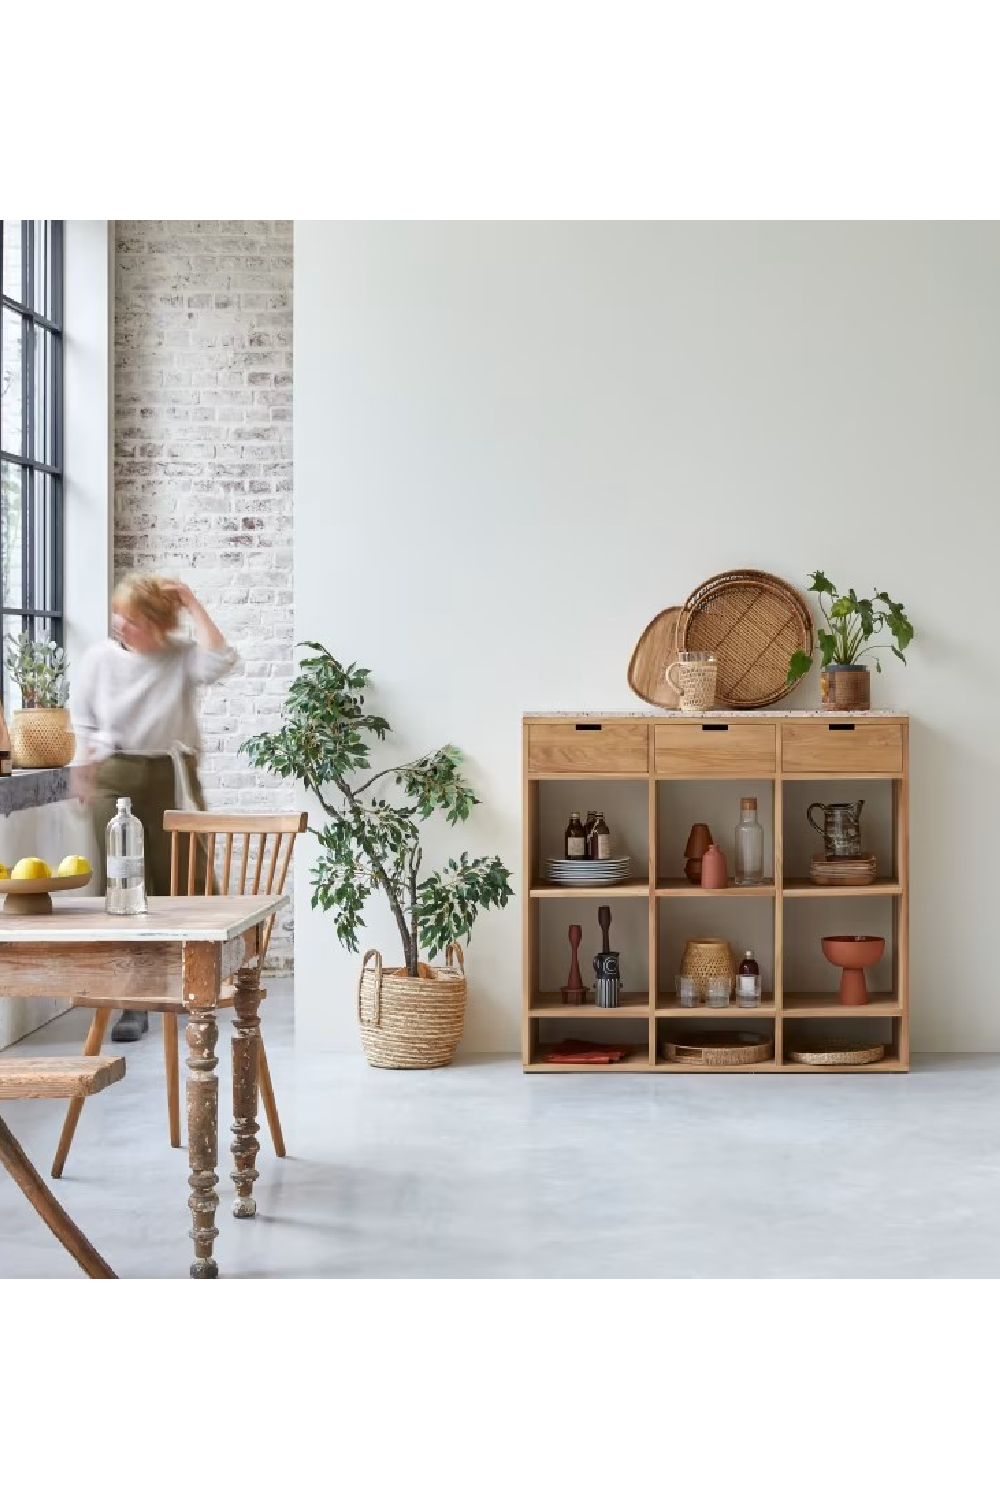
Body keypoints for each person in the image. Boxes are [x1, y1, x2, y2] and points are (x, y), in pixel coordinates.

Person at [72, 574, 238, 1041]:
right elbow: (83, 723)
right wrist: (82, 774)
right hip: (114, 776)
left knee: (184, 880)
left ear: (161, 625)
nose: (122, 625)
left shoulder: (180, 656)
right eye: (119, 614)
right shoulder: (99, 659)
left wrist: (190, 598)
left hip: (169, 774)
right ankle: (134, 1001)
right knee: (122, 887)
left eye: (136, 619)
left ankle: (190, 983)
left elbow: (223, 659)